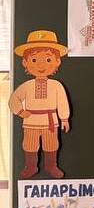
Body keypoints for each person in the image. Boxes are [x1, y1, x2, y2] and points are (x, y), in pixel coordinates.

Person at [9, 30, 71, 179]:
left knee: (51, 144)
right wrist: (20, 111)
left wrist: (64, 118)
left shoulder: (56, 85)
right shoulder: (27, 86)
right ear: (25, 62)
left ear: (57, 61)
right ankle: (30, 166)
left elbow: (62, 101)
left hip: (50, 121)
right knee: (29, 144)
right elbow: (14, 99)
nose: (41, 64)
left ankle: (51, 166)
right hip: (31, 120)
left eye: (48, 60)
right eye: (34, 60)